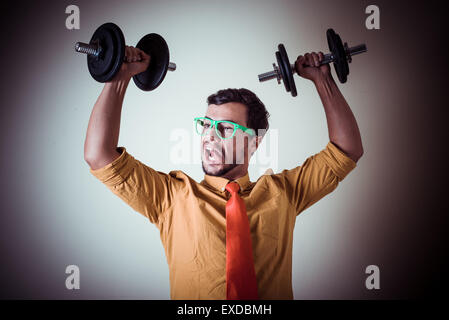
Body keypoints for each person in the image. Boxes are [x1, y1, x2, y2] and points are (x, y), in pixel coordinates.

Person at [84, 45, 363, 300]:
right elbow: (99, 155)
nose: (209, 136)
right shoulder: (171, 197)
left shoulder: (285, 192)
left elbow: (347, 150)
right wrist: (119, 78)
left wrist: (323, 79)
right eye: (206, 125)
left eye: (225, 128)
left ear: (254, 141)